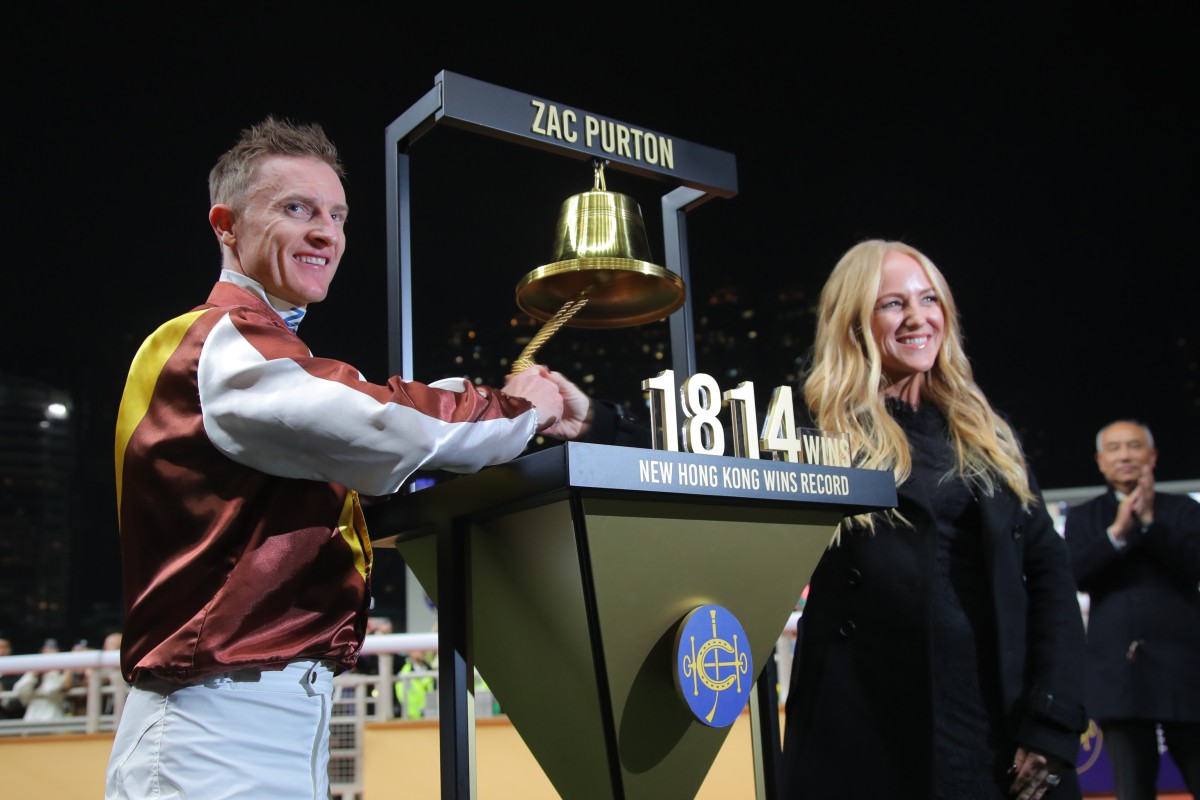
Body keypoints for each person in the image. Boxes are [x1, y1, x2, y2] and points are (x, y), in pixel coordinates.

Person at [105, 116, 583, 800]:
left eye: (337, 214)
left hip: (258, 715)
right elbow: (385, 423)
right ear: (226, 225)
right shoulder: (222, 340)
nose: (326, 233)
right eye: (296, 209)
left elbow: (358, 429)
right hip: (213, 725)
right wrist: (515, 408)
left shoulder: (256, 353)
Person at [775, 240, 1088, 799]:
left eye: (929, 299)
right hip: (867, 730)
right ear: (853, 321)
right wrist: (599, 422)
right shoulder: (813, 431)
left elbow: (1049, 580)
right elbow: (702, 451)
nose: (918, 317)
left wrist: (1053, 721)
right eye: (893, 303)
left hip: (999, 726)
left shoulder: (988, 435)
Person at [1063, 420, 1200, 800]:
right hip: (1120, 679)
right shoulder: (1084, 516)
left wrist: (1150, 524)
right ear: (1101, 461)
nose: (1125, 455)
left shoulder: (1183, 510)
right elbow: (1073, 575)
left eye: (1134, 446)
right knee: (1132, 790)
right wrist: (1118, 533)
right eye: (1116, 448)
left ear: (1152, 456)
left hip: (1186, 674)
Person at [13, 638, 73, 722]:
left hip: (53, 722)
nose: (48, 657)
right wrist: (33, 673)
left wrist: (53, 670)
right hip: (31, 721)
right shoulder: (33, 675)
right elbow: (19, 690)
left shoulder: (62, 675)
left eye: (52, 654)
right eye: (45, 653)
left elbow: (52, 689)